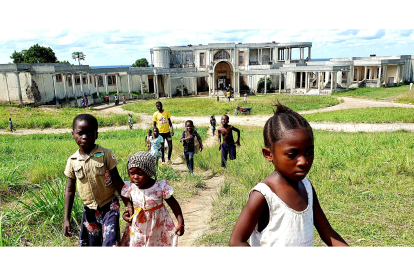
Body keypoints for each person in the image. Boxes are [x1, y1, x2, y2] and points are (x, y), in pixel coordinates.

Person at [229, 102, 349, 247]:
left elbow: (328, 232)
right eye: (292, 155)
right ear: (268, 154)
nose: (303, 161)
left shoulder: (307, 188)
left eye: (309, 153)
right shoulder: (263, 196)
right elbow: (236, 242)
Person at [63, 114, 134, 246]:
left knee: (110, 242)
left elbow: (117, 181)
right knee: (92, 244)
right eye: (80, 133)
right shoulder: (72, 161)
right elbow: (69, 190)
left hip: (110, 206)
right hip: (89, 210)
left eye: (89, 133)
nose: (85, 137)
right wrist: (66, 218)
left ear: (96, 134)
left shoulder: (106, 154)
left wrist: (128, 204)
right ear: (73, 134)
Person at [120, 151, 184, 247]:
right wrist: (127, 213)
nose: (135, 177)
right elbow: (126, 201)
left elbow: (174, 204)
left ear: (149, 172)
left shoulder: (160, 187)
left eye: (140, 173)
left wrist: (180, 223)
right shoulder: (130, 187)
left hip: (158, 226)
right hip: (138, 226)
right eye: (132, 173)